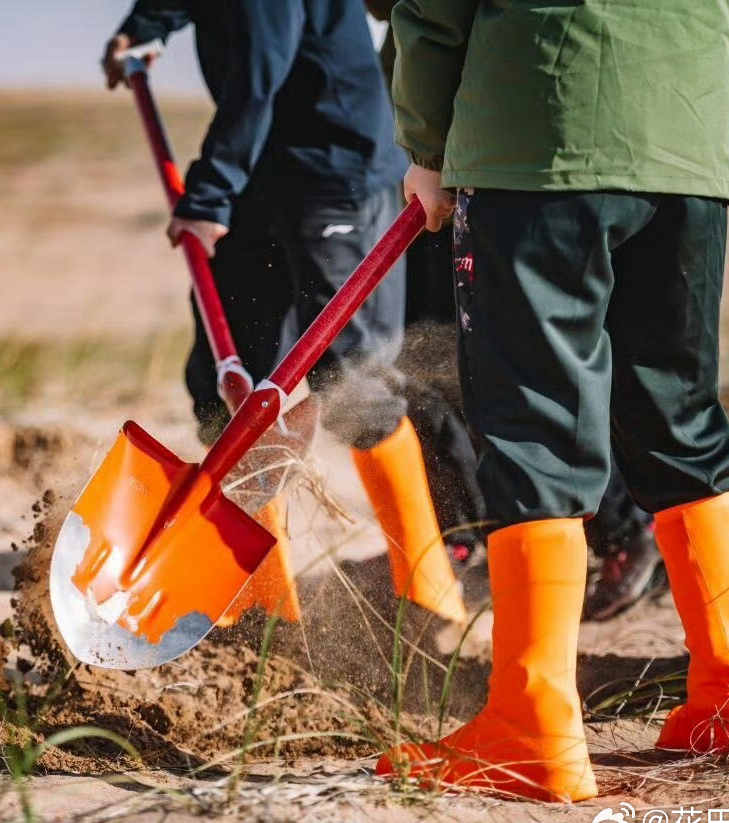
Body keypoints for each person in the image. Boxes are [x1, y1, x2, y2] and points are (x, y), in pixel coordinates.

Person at [380, 0, 729, 802]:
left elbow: (431, 10)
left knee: (534, 424)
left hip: (541, 134)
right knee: (679, 415)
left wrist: (425, 145)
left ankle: (532, 725)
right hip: (687, 141)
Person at [101, 0, 466, 626]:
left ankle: (431, 592)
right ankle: (266, 609)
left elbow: (259, 65)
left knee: (353, 382)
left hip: (335, 165)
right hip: (261, 164)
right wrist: (149, 22)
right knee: (227, 379)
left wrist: (209, 191)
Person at [363, 0, 663, 619]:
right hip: (429, 148)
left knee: (535, 367)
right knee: (433, 353)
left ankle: (621, 531)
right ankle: (470, 535)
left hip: (504, 153)